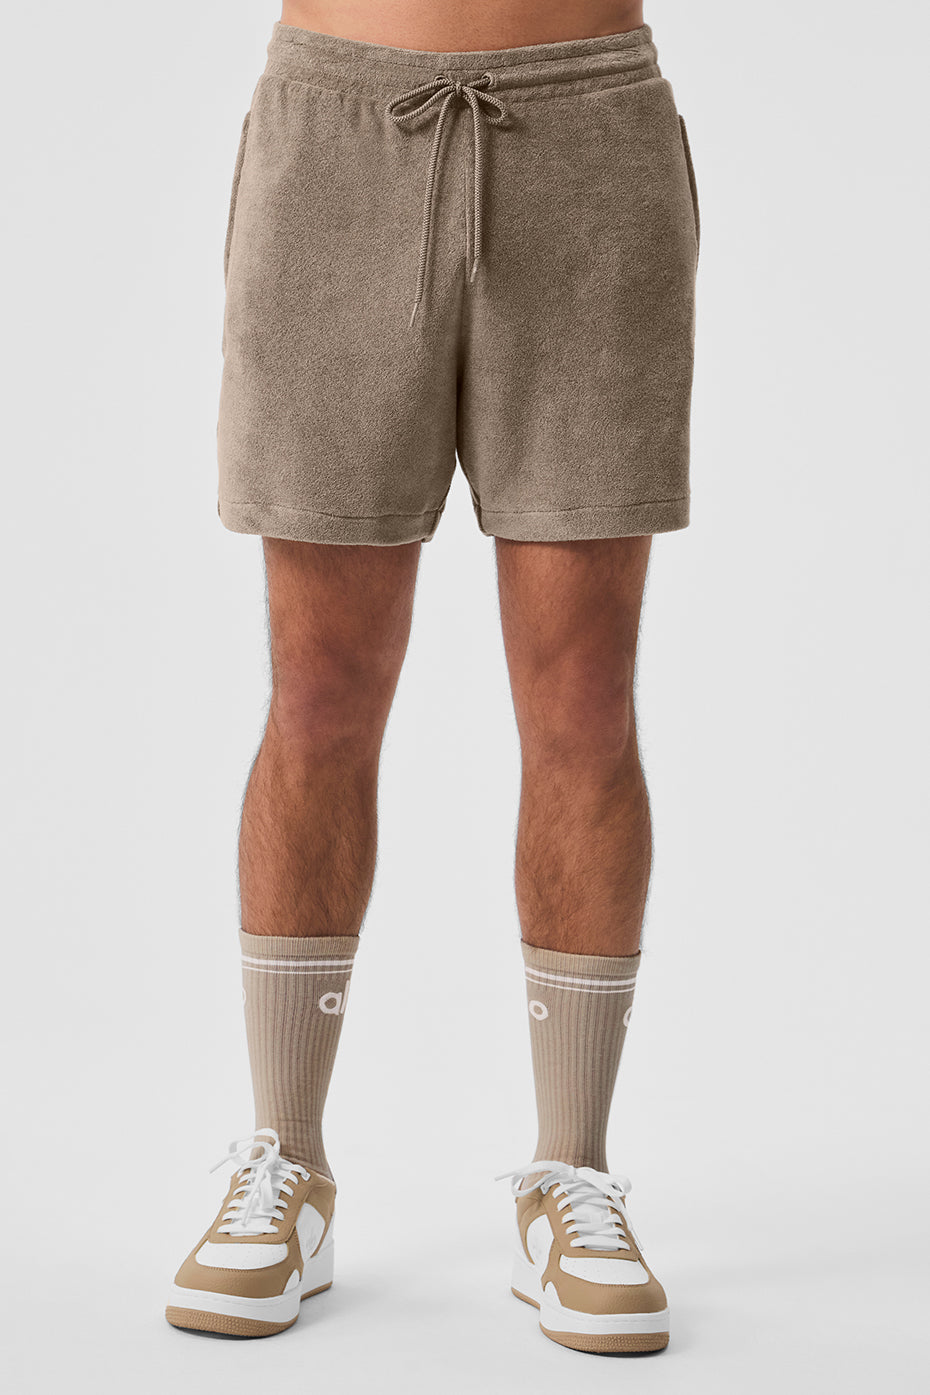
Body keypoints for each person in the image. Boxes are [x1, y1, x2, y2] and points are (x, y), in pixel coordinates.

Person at [165, 0, 698, 1354]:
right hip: (339, 132)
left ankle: (569, 1174)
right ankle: (286, 1163)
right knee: (320, 691)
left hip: (588, 136)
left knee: (582, 699)